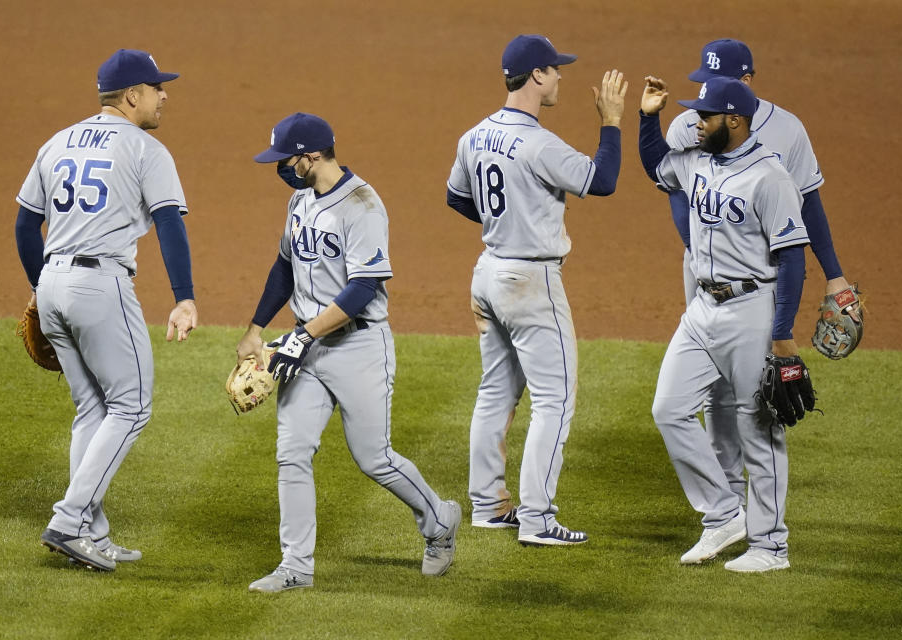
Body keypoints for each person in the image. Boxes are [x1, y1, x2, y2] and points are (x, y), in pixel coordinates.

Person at [238, 113, 460, 593]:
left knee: (373, 457)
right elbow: (284, 267)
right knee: (292, 453)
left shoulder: (363, 205)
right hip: (306, 347)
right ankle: (296, 567)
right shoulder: (299, 202)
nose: (279, 167)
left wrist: (302, 337)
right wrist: (257, 329)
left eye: (285, 159)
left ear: (310, 157)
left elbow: (363, 287)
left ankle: (440, 520)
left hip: (358, 346)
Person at [15, 49, 197, 571]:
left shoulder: (55, 143)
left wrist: (38, 285)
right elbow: (169, 223)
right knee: (132, 405)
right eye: (157, 87)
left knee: (92, 408)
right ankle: (70, 520)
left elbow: (26, 226)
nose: (165, 95)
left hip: (52, 283)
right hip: (100, 286)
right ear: (132, 95)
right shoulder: (146, 149)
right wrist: (184, 296)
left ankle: (90, 533)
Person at [446, 34, 627, 546]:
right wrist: (610, 121)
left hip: (488, 273)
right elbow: (604, 180)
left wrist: (508, 222)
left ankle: (487, 504)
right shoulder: (538, 142)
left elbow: (457, 197)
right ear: (537, 76)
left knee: (496, 389)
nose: (562, 76)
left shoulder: (473, 135)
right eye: (555, 69)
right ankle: (538, 519)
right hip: (530, 282)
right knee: (555, 400)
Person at [663, 40, 856, 511]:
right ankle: (726, 495)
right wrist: (695, 247)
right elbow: (673, 184)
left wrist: (834, 275)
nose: (702, 93)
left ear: (745, 84)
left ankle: (765, 531)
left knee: (754, 399)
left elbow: (808, 204)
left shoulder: (786, 132)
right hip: (706, 271)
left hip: (757, 280)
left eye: (714, 83)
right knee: (709, 389)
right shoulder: (691, 123)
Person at [639, 75, 809, 572]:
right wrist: (648, 117)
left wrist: (782, 334)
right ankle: (722, 514)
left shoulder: (770, 176)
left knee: (759, 427)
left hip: (752, 309)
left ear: (734, 120)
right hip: (702, 308)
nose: (696, 121)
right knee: (669, 409)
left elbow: (792, 257)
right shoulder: (697, 159)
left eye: (705, 115)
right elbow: (656, 166)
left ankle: (771, 546)